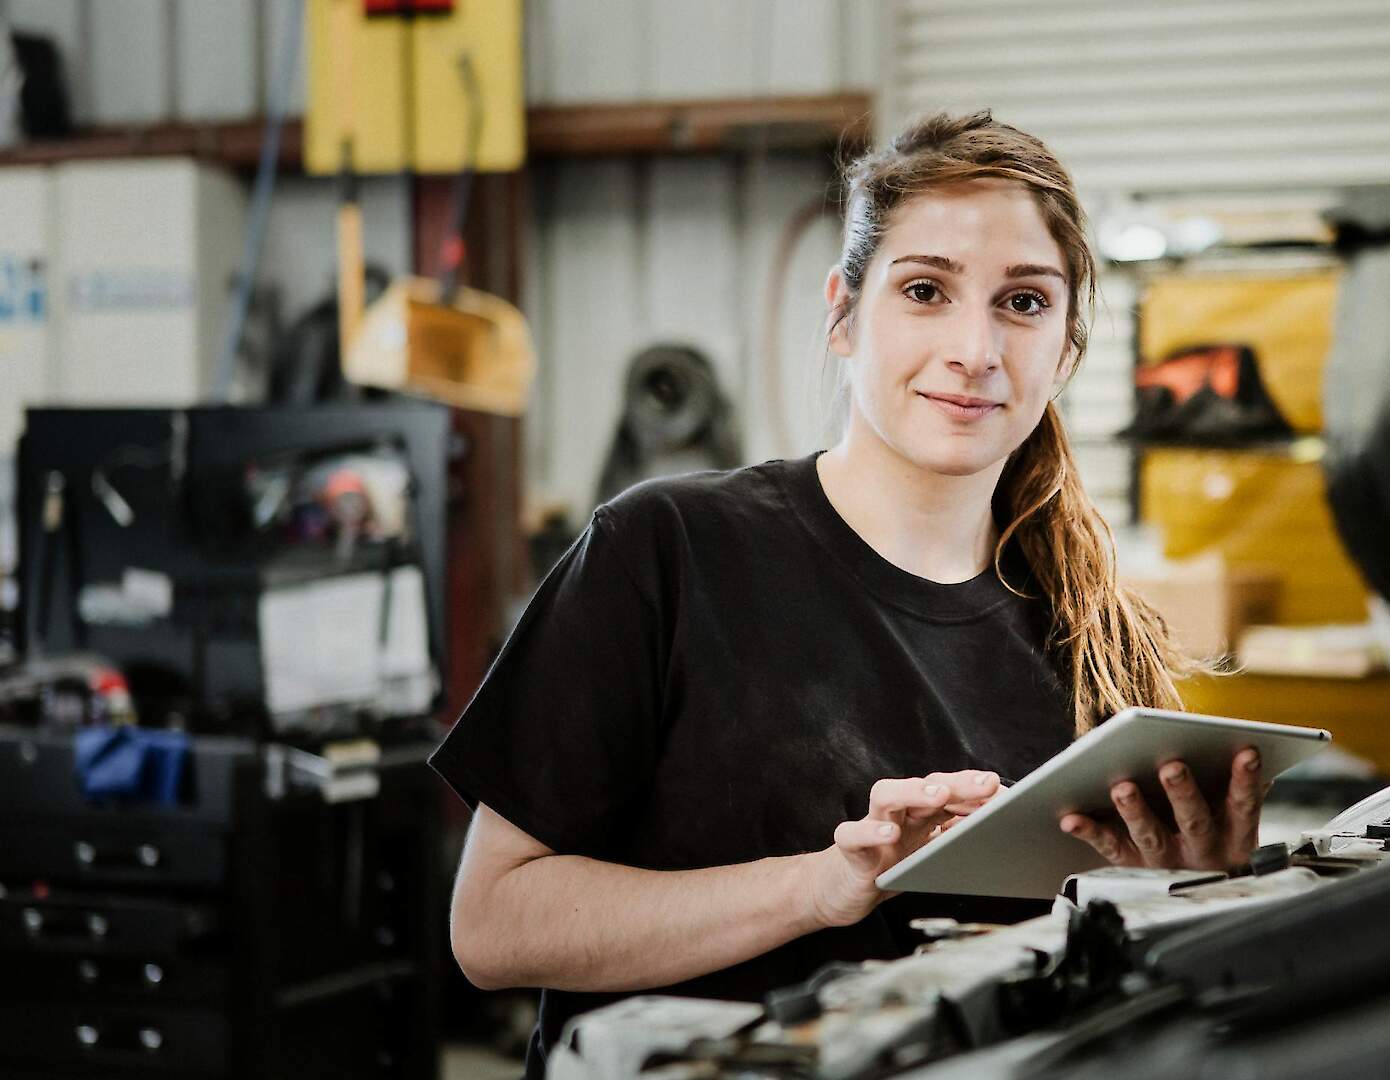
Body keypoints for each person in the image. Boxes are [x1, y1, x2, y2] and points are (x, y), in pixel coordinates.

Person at [429, 109, 1269, 1079]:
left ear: (1069, 347)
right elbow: (492, 926)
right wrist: (824, 887)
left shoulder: (1095, 637)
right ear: (842, 312)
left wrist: (1188, 894)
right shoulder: (666, 551)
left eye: (1024, 303)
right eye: (925, 290)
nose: (975, 348)